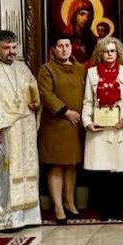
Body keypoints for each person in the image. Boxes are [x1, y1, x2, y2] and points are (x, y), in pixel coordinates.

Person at [0, 30, 41, 230]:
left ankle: (29, 215)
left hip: (26, 125)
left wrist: (35, 104)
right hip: (7, 127)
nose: (11, 52)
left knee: (28, 168)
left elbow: (32, 89)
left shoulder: (22, 67)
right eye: (6, 48)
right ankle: (9, 218)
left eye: (14, 47)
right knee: (7, 171)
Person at [82, 37, 123, 221]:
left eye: (112, 51)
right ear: (100, 53)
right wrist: (87, 122)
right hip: (100, 125)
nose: (109, 54)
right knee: (102, 170)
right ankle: (105, 210)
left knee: (120, 170)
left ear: (118, 53)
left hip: (120, 125)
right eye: (106, 51)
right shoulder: (91, 73)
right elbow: (88, 101)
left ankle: (117, 209)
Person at [37, 33, 86, 223]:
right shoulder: (47, 69)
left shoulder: (80, 69)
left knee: (71, 164)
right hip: (56, 123)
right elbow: (46, 94)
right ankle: (58, 206)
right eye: (60, 46)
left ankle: (69, 202)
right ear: (53, 49)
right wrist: (66, 112)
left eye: (67, 45)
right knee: (57, 165)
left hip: (76, 124)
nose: (65, 49)